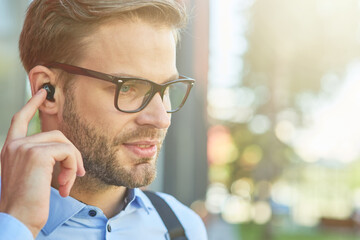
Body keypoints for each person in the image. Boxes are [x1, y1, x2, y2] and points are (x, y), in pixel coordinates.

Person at [0, 0, 207, 239]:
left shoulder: (182, 227)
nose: (161, 119)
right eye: (129, 88)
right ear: (47, 91)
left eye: (166, 89)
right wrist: (15, 225)